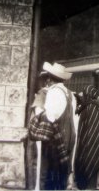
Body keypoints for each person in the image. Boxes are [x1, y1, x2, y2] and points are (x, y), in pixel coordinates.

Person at [29, 62, 76, 190]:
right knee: (61, 174)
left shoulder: (52, 93)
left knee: (46, 174)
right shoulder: (70, 94)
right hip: (69, 139)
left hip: (55, 139)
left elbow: (49, 117)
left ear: (50, 78)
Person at [74, 85, 99, 190]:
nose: (83, 97)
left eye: (85, 95)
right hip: (92, 142)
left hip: (90, 143)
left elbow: (92, 129)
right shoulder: (93, 106)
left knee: (89, 163)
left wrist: (86, 142)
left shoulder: (90, 107)